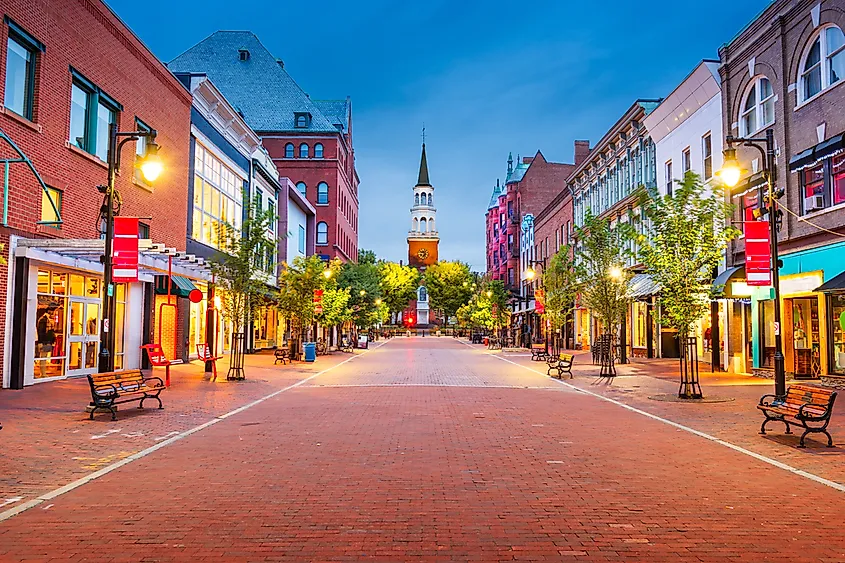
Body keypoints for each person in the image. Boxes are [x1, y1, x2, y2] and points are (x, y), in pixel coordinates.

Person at [36, 308, 57, 377]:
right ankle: (42, 373)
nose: (53, 312)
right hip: (44, 341)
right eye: (52, 311)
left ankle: (43, 372)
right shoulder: (43, 320)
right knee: (43, 357)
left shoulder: (50, 320)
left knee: (44, 357)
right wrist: (40, 342)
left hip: (48, 341)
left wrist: (53, 340)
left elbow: (52, 331)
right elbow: (40, 332)